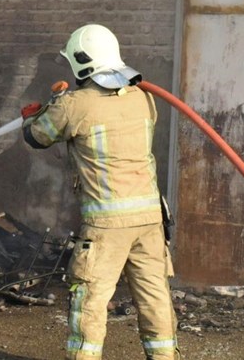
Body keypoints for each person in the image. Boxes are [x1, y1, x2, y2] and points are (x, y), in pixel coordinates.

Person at [21, 24, 179, 360]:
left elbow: (38, 136)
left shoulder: (74, 105)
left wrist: (34, 115)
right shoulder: (143, 98)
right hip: (150, 219)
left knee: (90, 300)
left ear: (82, 62)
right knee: (155, 297)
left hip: (107, 224)